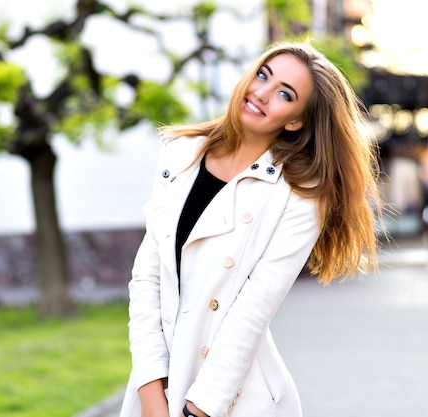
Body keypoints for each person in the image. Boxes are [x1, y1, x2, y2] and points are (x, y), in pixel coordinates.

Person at [119, 41, 382, 417]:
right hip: (155, 388)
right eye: (263, 74)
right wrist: (150, 393)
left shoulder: (300, 197)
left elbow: (252, 312)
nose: (261, 93)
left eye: (284, 94)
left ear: (295, 120)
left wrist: (198, 409)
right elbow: (147, 277)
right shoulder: (180, 153)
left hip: (231, 398)